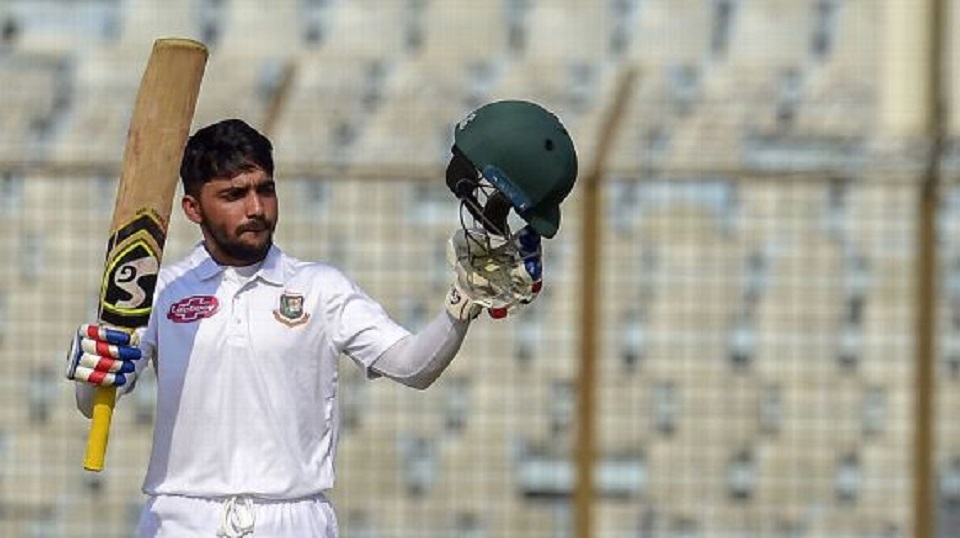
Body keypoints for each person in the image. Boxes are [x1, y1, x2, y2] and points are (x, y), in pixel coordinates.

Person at [66, 101, 576, 537]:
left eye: (265, 189)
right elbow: (96, 402)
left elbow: (413, 367)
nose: (256, 208)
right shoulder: (160, 290)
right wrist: (93, 372)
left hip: (294, 518)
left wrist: (459, 306)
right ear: (193, 209)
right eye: (234, 194)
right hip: (181, 519)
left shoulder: (320, 288)